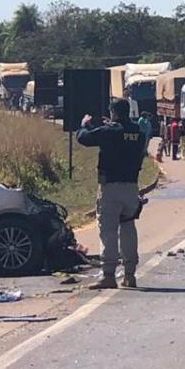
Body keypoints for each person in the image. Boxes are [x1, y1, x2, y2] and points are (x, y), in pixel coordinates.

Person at [76, 99, 146, 289]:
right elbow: (123, 136)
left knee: (108, 230)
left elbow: (85, 138)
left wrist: (84, 125)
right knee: (128, 227)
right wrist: (110, 125)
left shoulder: (108, 131)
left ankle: (108, 275)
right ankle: (130, 274)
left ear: (113, 112)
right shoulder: (138, 132)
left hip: (110, 187)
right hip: (131, 186)